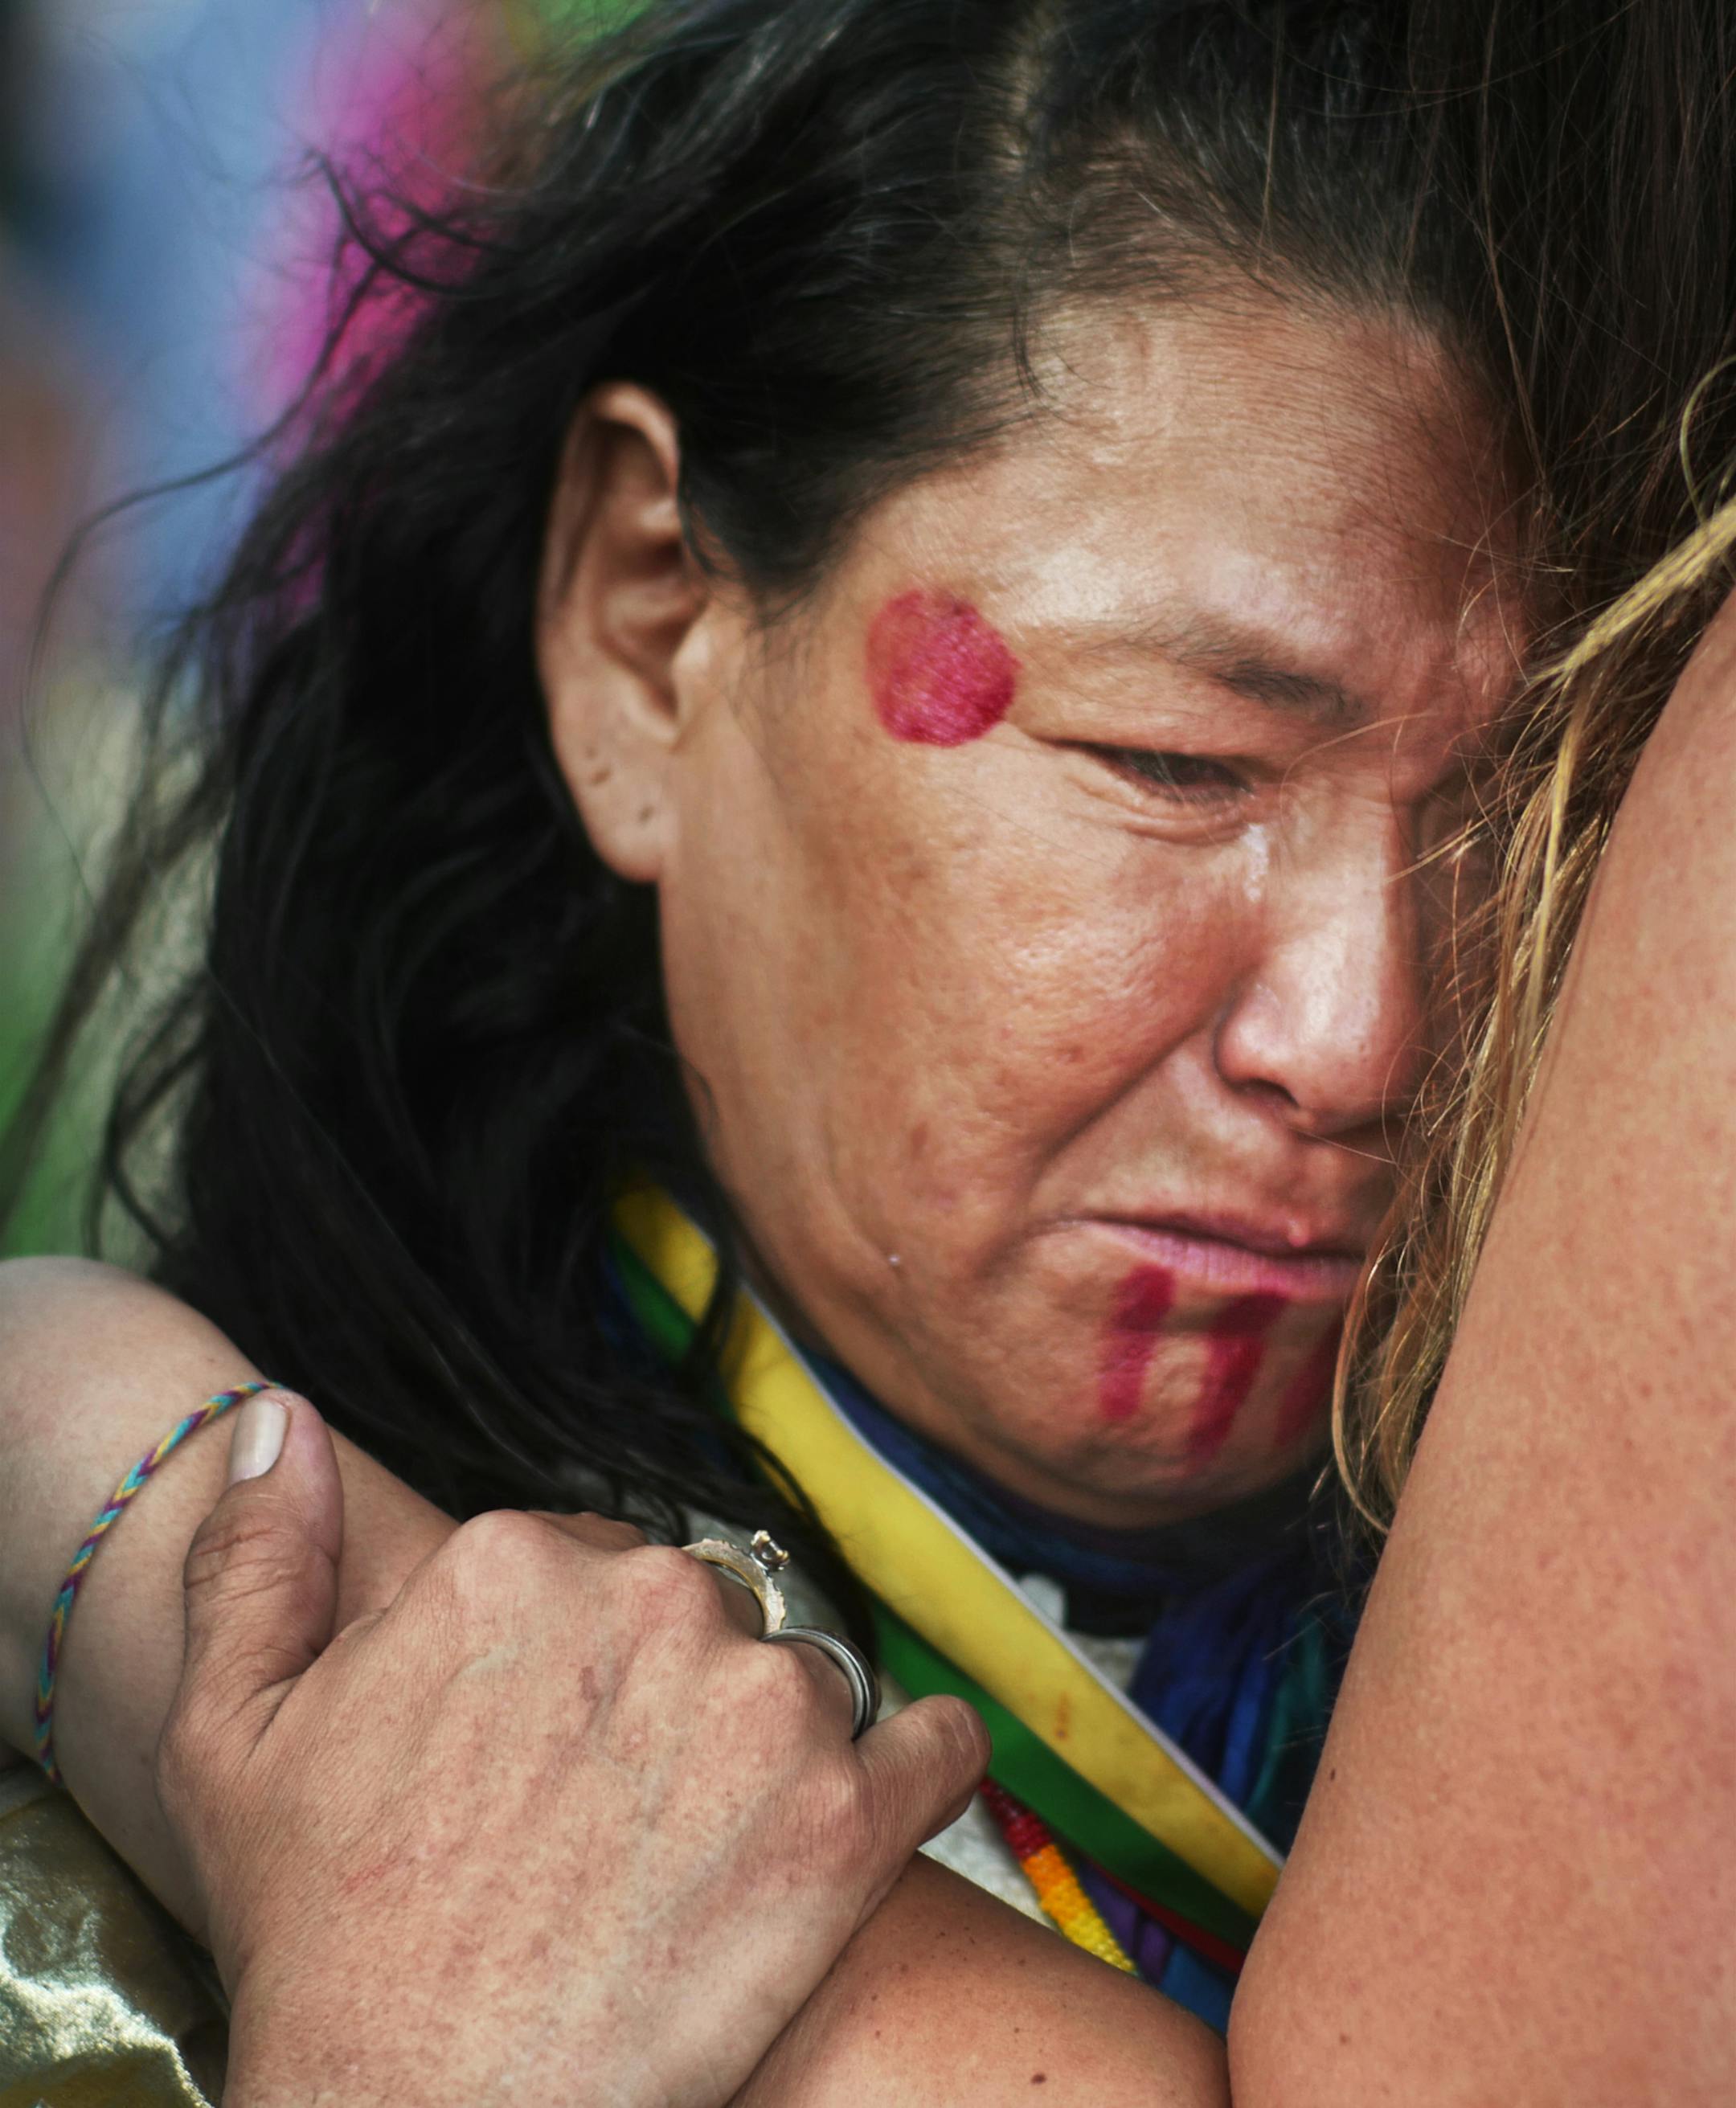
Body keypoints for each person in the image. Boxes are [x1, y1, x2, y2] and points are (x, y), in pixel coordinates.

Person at [2, 0, 1734, 2099]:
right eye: (1176, 765)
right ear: (649, 631)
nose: (1360, 1041)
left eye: (1524, 844)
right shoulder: (169, 1665)